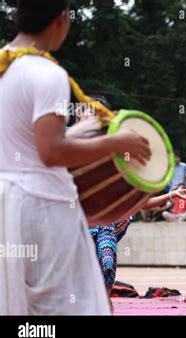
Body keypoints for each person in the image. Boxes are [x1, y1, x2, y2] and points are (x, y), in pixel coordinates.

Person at [0, 0, 152, 315]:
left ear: (16, 16)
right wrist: (115, 142)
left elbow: (32, 146)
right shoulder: (48, 73)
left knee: (24, 312)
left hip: (8, 205)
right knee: (72, 306)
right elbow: (51, 151)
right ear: (62, 20)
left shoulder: (4, 69)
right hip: (44, 206)